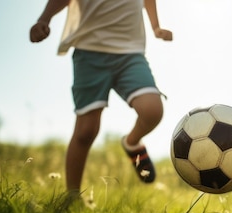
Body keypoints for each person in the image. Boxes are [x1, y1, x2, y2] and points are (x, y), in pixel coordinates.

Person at [30, 0, 173, 198]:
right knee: (86, 131)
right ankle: (72, 196)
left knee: (152, 110)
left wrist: (156, 27)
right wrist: (44, 18)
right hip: (90, 53)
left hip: (130, 54)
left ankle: (132, 143)